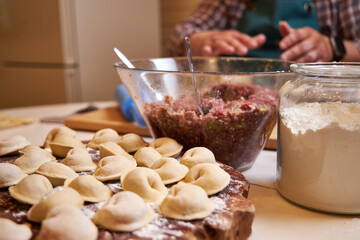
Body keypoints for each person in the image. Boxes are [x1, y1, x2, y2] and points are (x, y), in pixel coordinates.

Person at [168, 0, 360, 62]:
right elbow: (180, 34)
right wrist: (199, 41)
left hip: (319, 103)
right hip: (241, 99)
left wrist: (332, 47)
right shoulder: (230, 2)